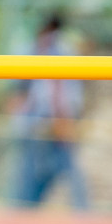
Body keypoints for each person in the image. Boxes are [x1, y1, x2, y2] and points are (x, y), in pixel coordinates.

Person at [8, 13, 89, 210]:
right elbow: (17, 93)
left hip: (57, 122)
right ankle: (24, 215)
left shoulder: (64, 52)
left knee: (68, 173)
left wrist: (65, 121)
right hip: (38, 123)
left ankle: (83, 215)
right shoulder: (30, 51)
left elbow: (67, 93)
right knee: (33, 176)